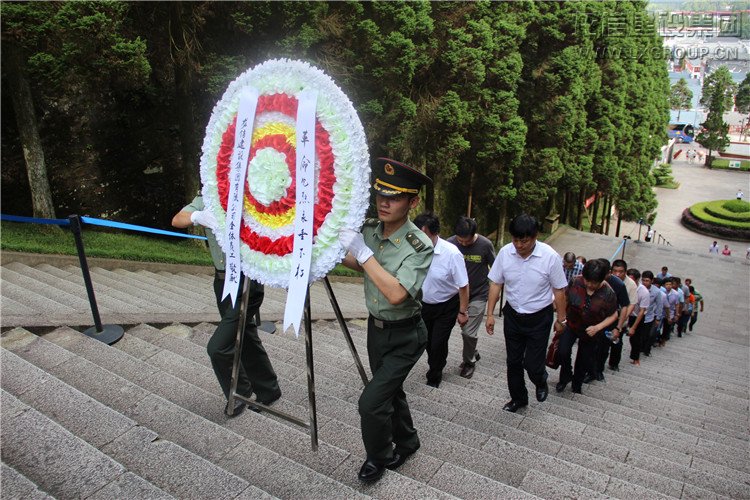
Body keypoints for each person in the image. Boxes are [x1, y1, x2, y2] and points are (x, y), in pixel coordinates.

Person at [340, 157, 433, 482]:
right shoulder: (369, 230)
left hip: (406, 335)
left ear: (412, 201)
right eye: (380, 193)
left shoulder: (419, 245)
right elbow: (359, 264)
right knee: (389, 392)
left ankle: (379, 455)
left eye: (394, 196)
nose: (384, 201)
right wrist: (337, 253)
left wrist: (364, 255)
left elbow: (396, 293)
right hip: (375, 331)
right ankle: (408, 440)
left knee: (371, 402)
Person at [172, 196, 281, 417]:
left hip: (246, 282)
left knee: (218, 347)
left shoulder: (250, 196)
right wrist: (197, 216)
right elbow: (177, 219)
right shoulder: (207, 197)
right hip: (222, 282)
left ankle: (239, 392)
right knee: (245, 334)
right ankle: (268, 389)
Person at [485, 214, 568, 413]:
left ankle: (540, 379)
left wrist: (561, 319)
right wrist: (489, 314)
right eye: (515, 240)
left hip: (539, 317)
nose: (519, 245)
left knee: (532, 364)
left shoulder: (550, 257)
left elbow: (559, 291)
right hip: (513, 314)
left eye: (524, 241)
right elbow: (496, 283)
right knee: (513, 361)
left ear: (535, 236)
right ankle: (518, 399)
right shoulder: (506, 253)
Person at [414, 212, 469, 388]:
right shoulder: (414, 248)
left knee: (438, 342)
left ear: (434, 233)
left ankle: (435, 373)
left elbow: (463, 285)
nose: (418, 239)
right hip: (424, 304)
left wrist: (462, 311)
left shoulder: (452, 254)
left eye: (423, 235)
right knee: (427, 341)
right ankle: (435, 363)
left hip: (446, 306)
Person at [555, 259, 618, 394]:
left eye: (593, 282)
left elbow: (613, 315)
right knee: (562, 351)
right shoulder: (575, 281)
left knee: (583, 359)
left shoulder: (608, 294)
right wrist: (560, 319)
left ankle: (577, 385)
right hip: (572, 324)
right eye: (587, 281)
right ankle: (565, 376)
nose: (589, 285)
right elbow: (566, 299)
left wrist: (598, 327)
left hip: (591, 331)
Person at [447, 216, 496, 379]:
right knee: (465, 327)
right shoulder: (450, 243)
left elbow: (495, 269)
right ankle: (473, 350)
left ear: (474, 235)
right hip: (457, 295)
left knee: (468, 332)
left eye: (466, 241)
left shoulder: (485, 245)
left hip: (478, 294)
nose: (463, 244)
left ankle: (469, 362)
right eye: (460, 240)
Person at [608, 259, 637, 371]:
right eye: (615, 271)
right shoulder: (609, 280)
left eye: (620, 271)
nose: (617, 274)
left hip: (621, 319)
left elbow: (631, 304)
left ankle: (614, 363)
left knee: (617, 342)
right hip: (607, 317)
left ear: (625, 272)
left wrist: (622, 318)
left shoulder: (631, 284)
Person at [626, 268, 651, 366]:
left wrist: (633, 327)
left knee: (635, 338)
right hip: (626, 313)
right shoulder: (625, 286)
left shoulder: (644, 292)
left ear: (637, 280)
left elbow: (641, 312)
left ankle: (636, 358)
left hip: (637, 317)